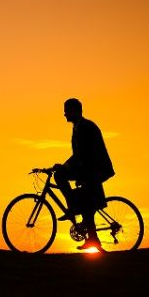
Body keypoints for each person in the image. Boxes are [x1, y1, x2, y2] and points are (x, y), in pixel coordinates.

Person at [53, 98, 115, 250]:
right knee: (87, 204)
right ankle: (93, 240)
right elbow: (79, 155)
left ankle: (72, 208)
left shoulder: (85, 127)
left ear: (75, 111)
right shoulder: (79, 127)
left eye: (67, 110)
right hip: (88, 168)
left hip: (95, 169)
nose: (65, 114)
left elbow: (83, 153)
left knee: (60, 175)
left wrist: (65, 166)